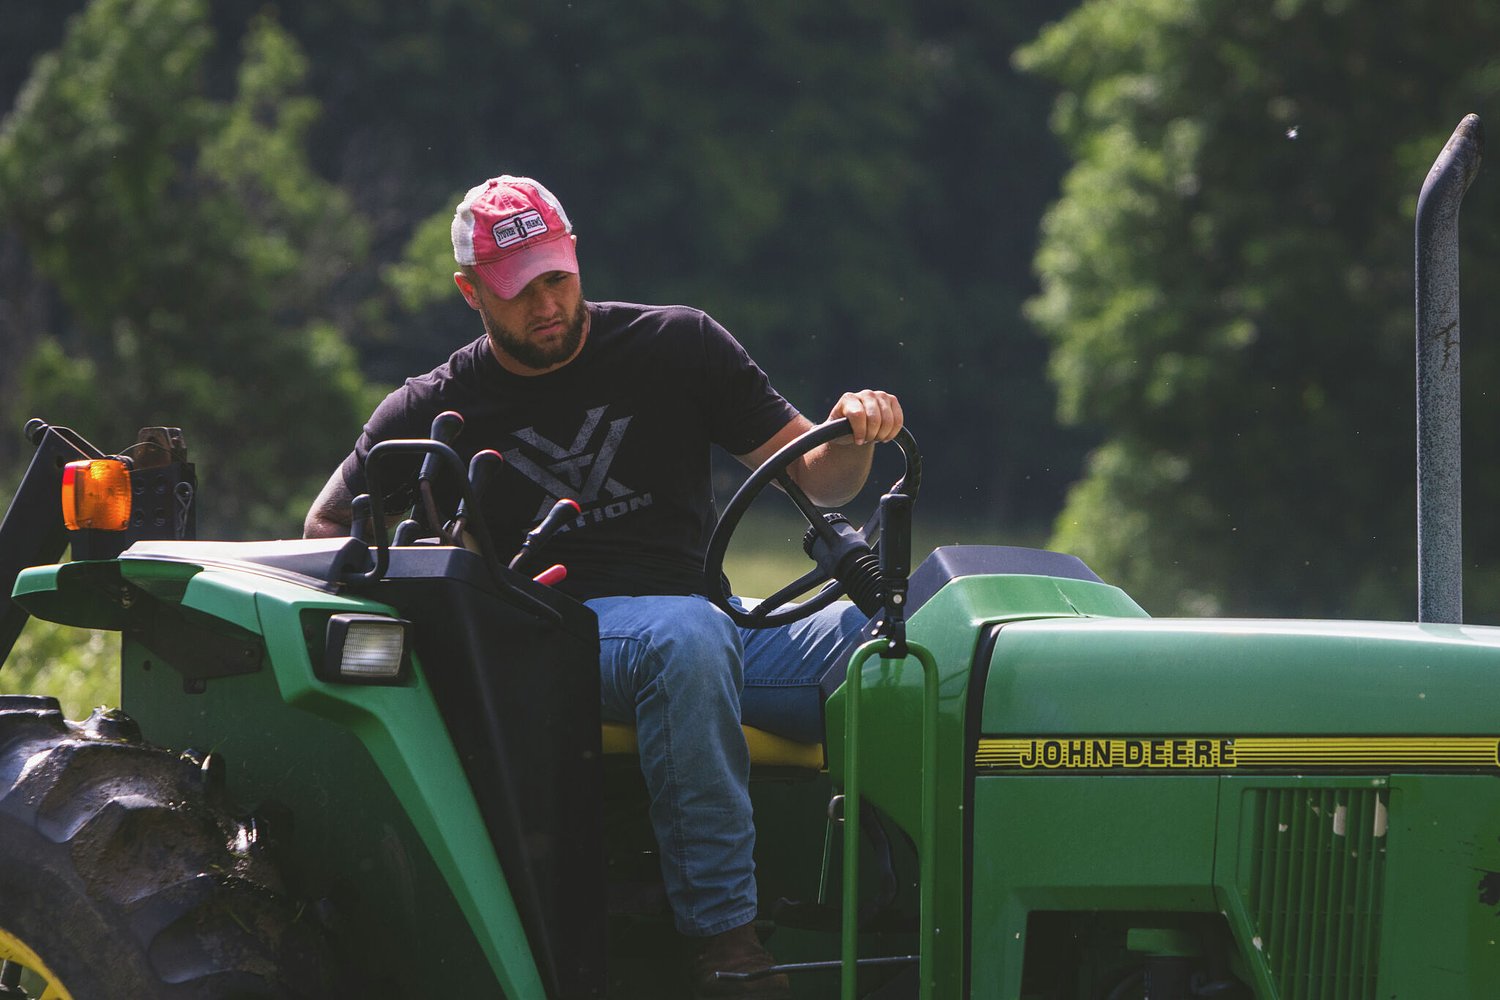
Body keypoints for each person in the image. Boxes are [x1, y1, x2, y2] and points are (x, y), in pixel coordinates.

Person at [304, 174, 903, 998]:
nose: (546, 304)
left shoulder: (678, 344)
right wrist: (456, 593)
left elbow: (819, 476)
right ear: (470, 292)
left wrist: (859, 434)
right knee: (683, 640)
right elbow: (327, 529)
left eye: (557, 277)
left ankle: (918, 919)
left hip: (708, 616)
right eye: (519, 292)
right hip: (551, 637)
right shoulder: (437, 404)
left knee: (908, 645)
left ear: (575, 255)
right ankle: (726, 945)